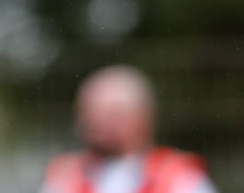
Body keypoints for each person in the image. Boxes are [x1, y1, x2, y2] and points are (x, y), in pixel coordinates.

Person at [40, 65, 218, 193]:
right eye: (89, 111)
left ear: (144, 117)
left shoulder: (179, 177)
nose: (96, 122)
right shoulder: (65, 175)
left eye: (114, 113)